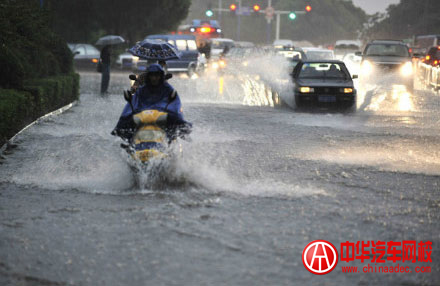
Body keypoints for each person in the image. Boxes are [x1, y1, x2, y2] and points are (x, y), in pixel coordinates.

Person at [112, 63, 191, 140]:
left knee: (177, 122)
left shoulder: (168, 89)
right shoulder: (142, 90)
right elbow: (134, 102)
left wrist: (171, 113)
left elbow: (174, 104)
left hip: (162, 115)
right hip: (143, 116)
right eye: (152, 75)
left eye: (156, 75)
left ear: (160, 76)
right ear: (148, 76)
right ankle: (129, 141)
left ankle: (172, 139)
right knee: (126, 122)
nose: (154, 78)